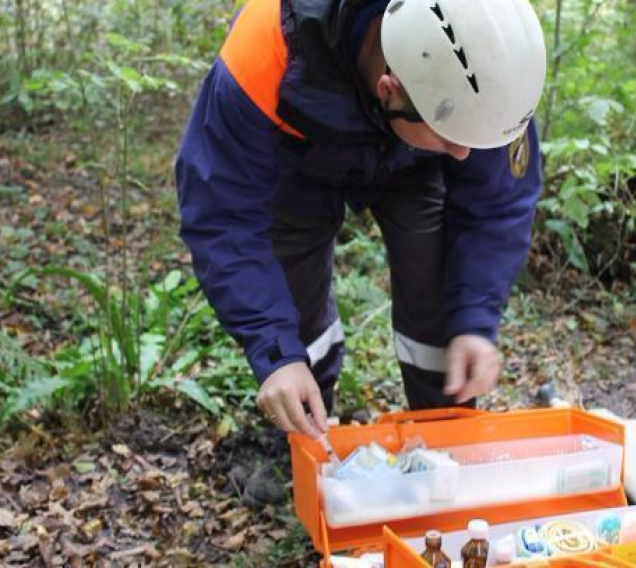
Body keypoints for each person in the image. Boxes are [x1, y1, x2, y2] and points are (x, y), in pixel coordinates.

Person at [176, 0, 546, 498]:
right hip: (299, 156)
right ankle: (304, 441)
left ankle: (444, 444)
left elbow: (496, 202)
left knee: (436, 288)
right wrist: (275, 352)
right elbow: (221, 211)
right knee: (294, 299)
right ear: (390, 88)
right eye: (454, 137)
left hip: (413, 163)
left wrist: (475, 321)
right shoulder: (265, 50)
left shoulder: (489, 62)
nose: (466, 155)